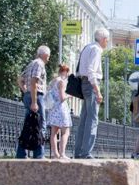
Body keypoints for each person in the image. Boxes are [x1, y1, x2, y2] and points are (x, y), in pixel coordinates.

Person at [74, 29, 109, 159]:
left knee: (84, 118)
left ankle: (78, 152)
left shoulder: (87, 47)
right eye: (107, 40)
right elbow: (91, 71)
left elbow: (80, 70)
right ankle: (86, 152)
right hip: (91, 84)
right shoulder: (96, 49)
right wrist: (97, 91)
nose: (107, 42)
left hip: (84, 83)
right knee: (93, 119)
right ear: (103, 39)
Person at [16, 45, 50, 159]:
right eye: (48, 56)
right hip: (36, 96)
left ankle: (21, 154)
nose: (48, 59)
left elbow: (20, 79)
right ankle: (39, 154)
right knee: (40, 124)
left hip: (29, 95)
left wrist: (25, 91)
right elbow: (34, 82)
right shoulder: (39, 64)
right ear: (44, 55)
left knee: (28, 125)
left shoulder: (31, 63)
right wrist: (34, 101)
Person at [47, 64, 72, 159]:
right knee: (66, 132)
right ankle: (62, 154)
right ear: (65, 72)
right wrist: (69, 95)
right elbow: (62, 98)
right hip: (61, 109)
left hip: (53, 108)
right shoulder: (61, 82)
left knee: (54, 132)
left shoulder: (53, 81)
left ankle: (55, 154)